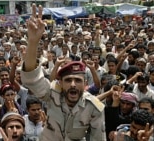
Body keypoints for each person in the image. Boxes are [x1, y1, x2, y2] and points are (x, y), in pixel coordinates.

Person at [21, 4, 106, 141]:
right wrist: (33, 41)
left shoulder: (94, 107)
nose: (73, 84)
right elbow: (31, 77)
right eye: (68, 80)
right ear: (60, 82)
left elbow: (98, 138)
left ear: (85, 84)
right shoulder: (52, 94)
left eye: (78, 80)